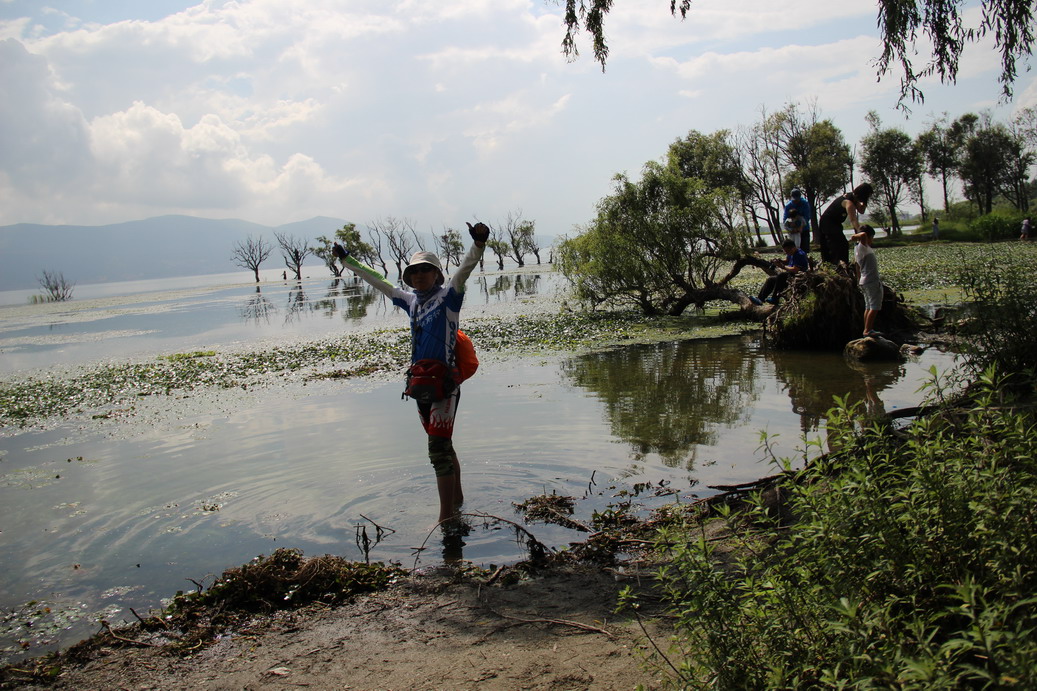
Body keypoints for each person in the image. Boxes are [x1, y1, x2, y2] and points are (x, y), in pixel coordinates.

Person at [337, 221, 489, 526]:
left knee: (437, 450)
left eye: (425, 270)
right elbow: (378, 281)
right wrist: (346, 260)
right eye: (413, 272)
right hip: (420, 386)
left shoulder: (449, 298)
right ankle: (457, 502)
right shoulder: (410, 303)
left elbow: (466, 270)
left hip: (445, 385)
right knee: (443, 445)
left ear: (437, 274)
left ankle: (445, 520)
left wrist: (479, 243)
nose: (419, 276)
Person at [818, 182, 872, 265]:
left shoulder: (854, 198)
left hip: (836, 223)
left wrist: (865, 201)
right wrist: (860, 232)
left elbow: (861, 211)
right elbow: (853, 220)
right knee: (840, 244)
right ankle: (838, 264)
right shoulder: (848, 202)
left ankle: (840, 264)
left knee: (841, 244)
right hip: (828, 221)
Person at [749, 238, 809, 306]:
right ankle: (760, 299)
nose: (786, 253)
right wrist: (779, 261)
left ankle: (775, 298)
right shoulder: (791, 253)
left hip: (798, 275)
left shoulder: (799, 254)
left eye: (787, 251)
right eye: (785, 251)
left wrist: (782, 266)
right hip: (790, 274)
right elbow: (787, 261)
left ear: (793, 248)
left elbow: (795, 269)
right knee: (771, 279)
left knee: (781, 275)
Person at [852, 224, 882, 338]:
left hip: (864, 280)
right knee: (875, 306)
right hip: (871, 280)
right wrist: (855, 236)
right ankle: (868, 330)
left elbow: (857, 267)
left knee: (868, 306)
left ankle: (867, 329)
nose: (871, 240)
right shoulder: (862, 246)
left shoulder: (858, 249)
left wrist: (858, 279)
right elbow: (863, 234)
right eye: (872, 237)